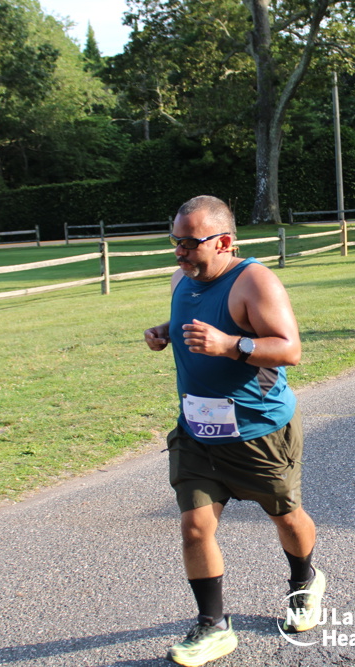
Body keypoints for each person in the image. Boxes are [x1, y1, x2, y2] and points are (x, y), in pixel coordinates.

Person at [144, 195, 324, 666]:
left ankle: (304, 582)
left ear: (223, 242)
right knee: (194, 527)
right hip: (197, 430)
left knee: (286, 518)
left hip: (258, 430)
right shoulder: (181, 279)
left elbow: (289, 349)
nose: (179, 252)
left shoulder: (254, 281)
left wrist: (228, 345)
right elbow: (191, 320)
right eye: (175, 240)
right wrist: (164, 331)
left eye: (189, 243)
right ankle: (213, 626)